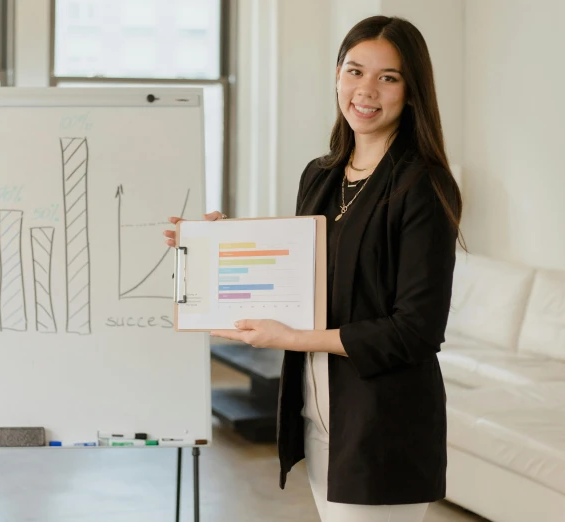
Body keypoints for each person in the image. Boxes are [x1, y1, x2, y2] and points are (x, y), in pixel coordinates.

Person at [164, 15, 465, 522]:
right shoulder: (321, 175)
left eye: (387, 77)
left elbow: (415, 330)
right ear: (337, 76)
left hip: (383, 427)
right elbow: (302, 275)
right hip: (317, 413)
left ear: (411, 92)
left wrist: (293, 338)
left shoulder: (424, 186)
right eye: (354, 71)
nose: (365, 90)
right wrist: (212, 245)